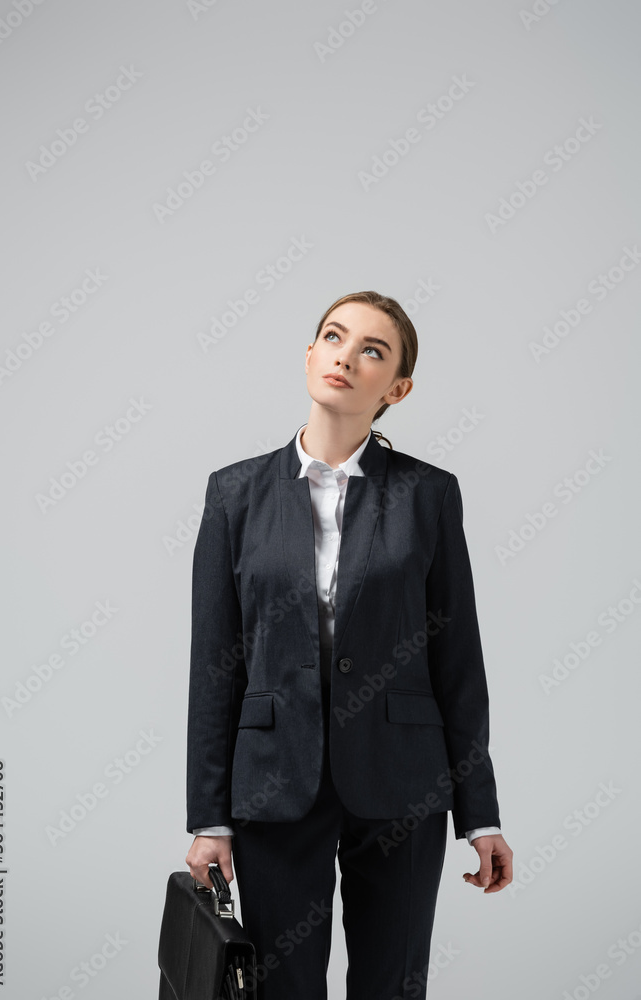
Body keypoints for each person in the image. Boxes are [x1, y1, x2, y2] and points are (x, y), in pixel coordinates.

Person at [185, 290, 513, 999]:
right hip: (274, 782)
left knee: (393, 985)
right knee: (280, 986)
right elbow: (214, 666)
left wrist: (479, 812)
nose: (345, 356)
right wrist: (209, 817)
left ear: (397, 388)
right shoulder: (234, 494)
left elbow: (457, 658)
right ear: (309, 355)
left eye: (372, 350)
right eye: (333, 337)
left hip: (402, 781)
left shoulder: (428, 495)